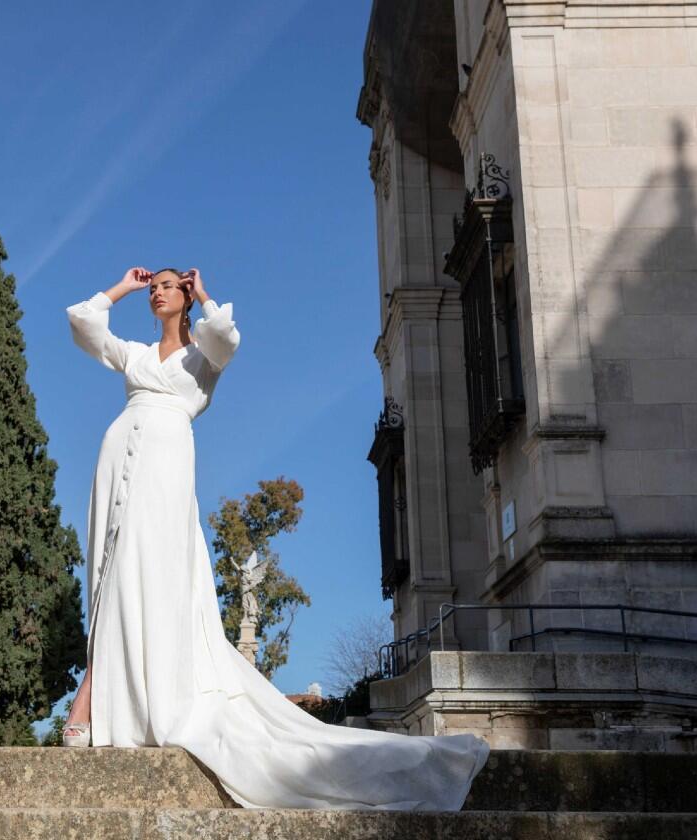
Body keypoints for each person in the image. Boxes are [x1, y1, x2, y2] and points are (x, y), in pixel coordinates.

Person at [62, 266, 490, 810]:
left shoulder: (200, 356)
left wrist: (206, 291)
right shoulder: (135, 355)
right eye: (154, 287)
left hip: (165, 464)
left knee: (151, 572)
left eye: (167, 285)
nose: (157, 291)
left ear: (186, 296)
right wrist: (121, 285)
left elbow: (226, 336)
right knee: (112, 572)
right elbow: (82, 322)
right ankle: (96, 694)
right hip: (118, 457)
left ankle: (119, 696)